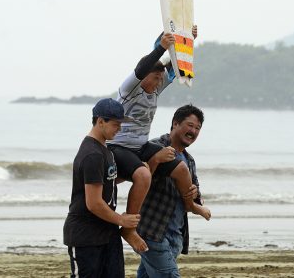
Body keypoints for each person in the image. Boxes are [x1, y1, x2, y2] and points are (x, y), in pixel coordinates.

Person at [108, 27, 209, 253]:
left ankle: (190, 204)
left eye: (160, 79)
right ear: (144, 77)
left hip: (141, 146)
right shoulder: (129, 88)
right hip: (119, 146)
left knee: (181, 168)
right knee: (143, 176)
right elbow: (143, 66)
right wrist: (161, 47)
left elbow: (177, 66)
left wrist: (187, 41)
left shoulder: (157, 85)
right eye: (155, 78)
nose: (158, 83)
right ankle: (129, 227)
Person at [63, 98, 141, 278]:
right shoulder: (92, 154)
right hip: (85, 235)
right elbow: (94, 203)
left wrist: (141, 170)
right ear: (100, 121)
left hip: (107, 232)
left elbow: (106, 181)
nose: (119, 129)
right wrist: (121, 220)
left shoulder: (104, 149)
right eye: (115, 124)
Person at [137, 104, 211, 278]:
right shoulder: (154, 146)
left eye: (198, 128)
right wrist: (155, 160)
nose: (193, 131)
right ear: (175, 124)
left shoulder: (189, 160)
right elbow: (138, 180)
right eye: (190, 125)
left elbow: (195, 198)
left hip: (176, 234)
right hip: (152, 231)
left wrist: (194, 194)